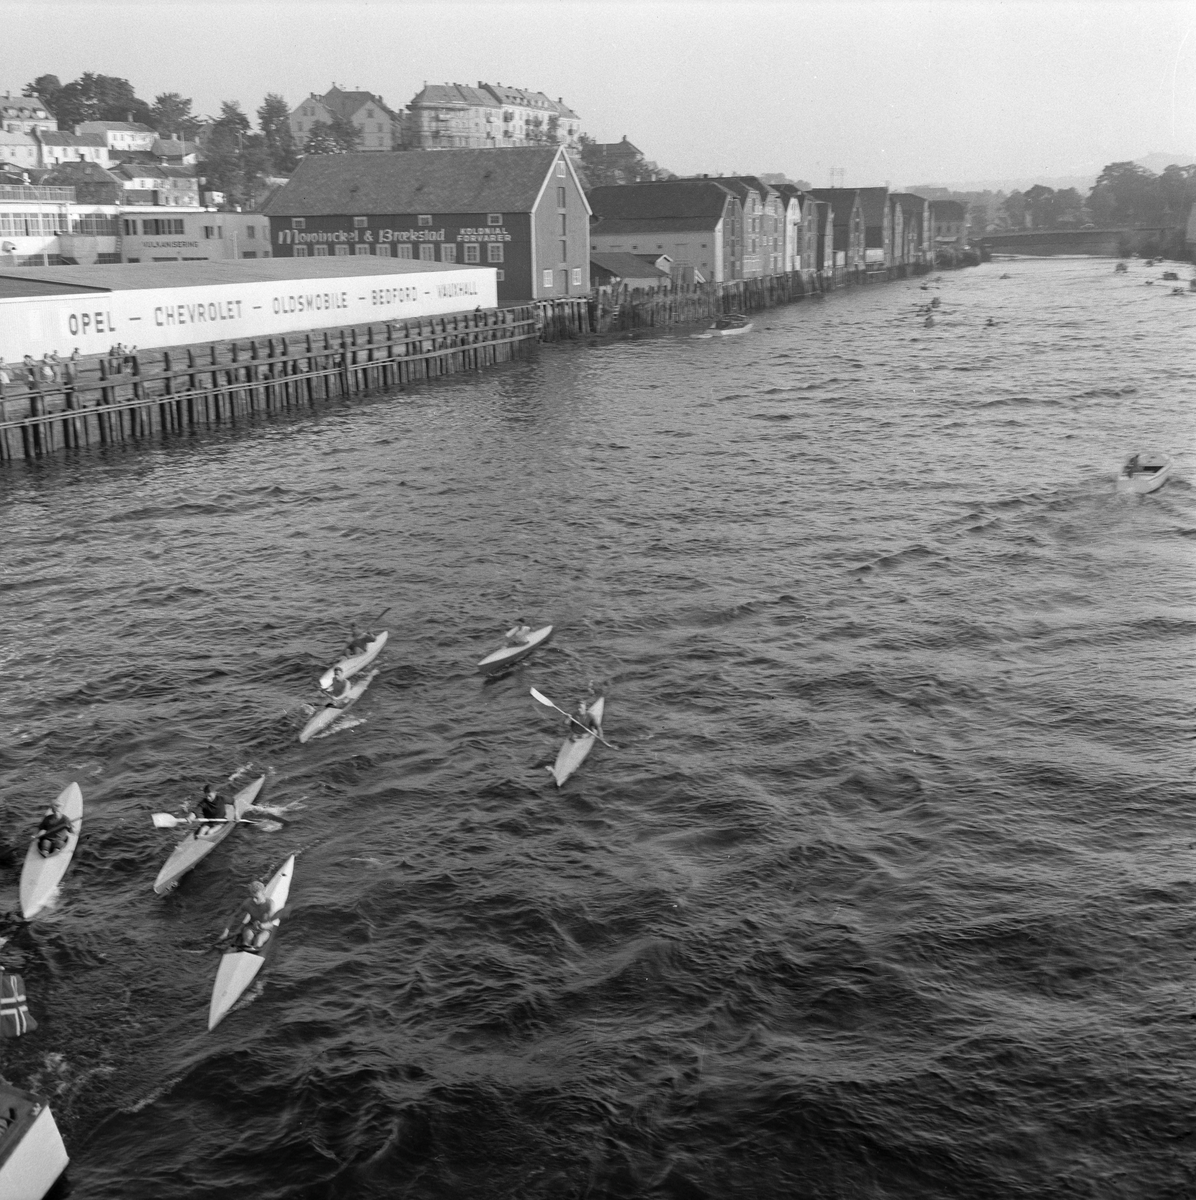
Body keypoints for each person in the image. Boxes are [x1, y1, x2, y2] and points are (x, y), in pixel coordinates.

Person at [221, 880, 275, 952]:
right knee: (248, 938)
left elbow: (271, 923)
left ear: (263, 893)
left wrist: (262, 926)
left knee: (259, 939)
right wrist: (225, 933)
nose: (254, 900)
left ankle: (254, 951)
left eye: (256, 897)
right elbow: (233, 916)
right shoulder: (247, 903)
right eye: (252, 897)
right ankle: (244, 950)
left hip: (265, 929)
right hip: (251, 926)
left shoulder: (269, 904)